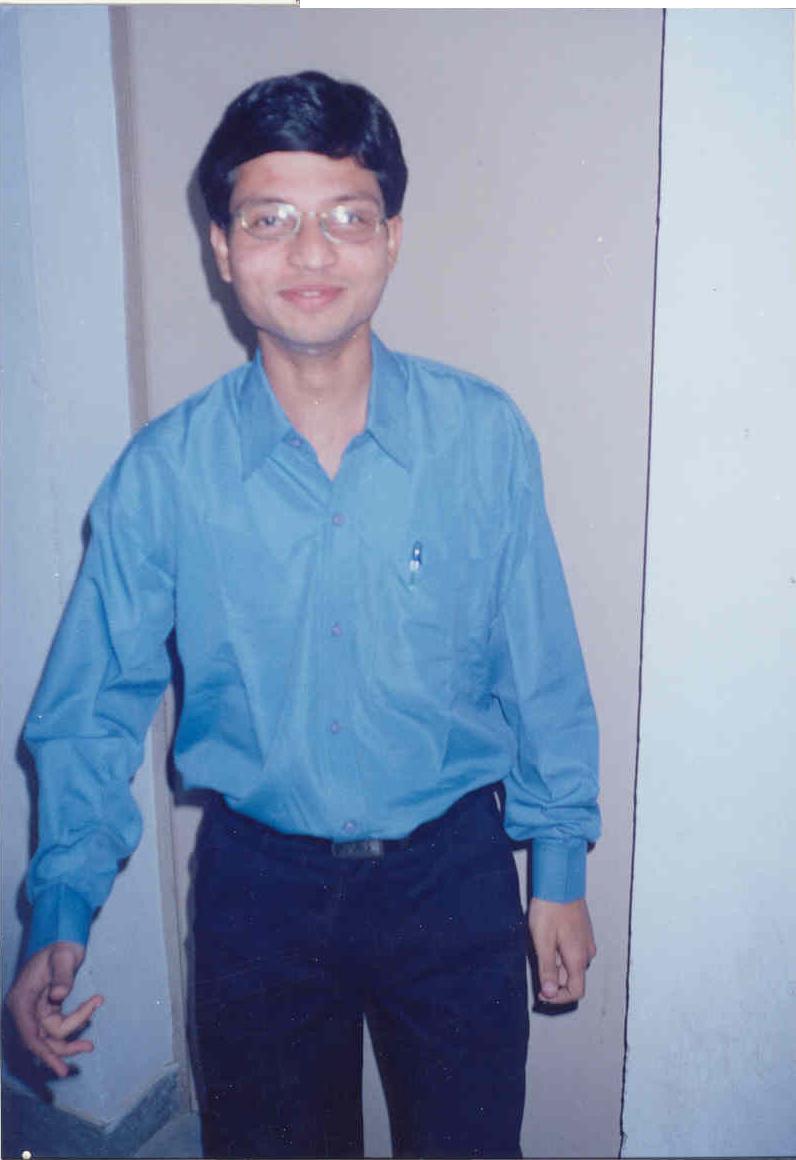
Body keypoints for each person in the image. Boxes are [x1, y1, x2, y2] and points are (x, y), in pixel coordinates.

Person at [6, 71, 600, 1159]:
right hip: (260, 893)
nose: (312, 252)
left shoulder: (482, 439)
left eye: (347, 217)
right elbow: (91, 709)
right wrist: (61, 906)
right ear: (222, 249)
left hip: (452, 876)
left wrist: (556, 867)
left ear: (391, 238)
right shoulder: (163, 475)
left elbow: (541, 670)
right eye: (270, 219)